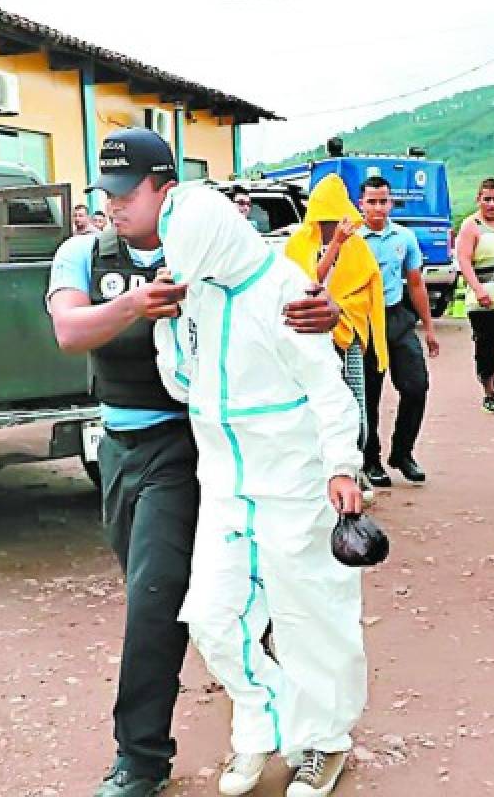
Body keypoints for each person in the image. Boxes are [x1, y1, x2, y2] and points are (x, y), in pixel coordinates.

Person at [47, 128, 340, 797]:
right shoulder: (83, 254)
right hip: (119, 449)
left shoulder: (215, 244)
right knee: (174, 591)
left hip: (195, 448)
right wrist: (129, 305)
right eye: (106, 194)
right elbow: (68, 331)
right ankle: (270, 699)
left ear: (164, 189)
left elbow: (282, 295)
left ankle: (141, 759)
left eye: (127, 194)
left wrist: (323, 312)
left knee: (156, 601)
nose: (114, 206)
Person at [154, 182, 367, 797]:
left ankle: (324, 743)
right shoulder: (198, 296)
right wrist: (167, 328)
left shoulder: (284, 292)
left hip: (295, 485)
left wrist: (342, 467)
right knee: (214, 619)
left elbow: (331, 391)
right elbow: (182, 385)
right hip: (225, 488)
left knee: (313, 620)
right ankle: (264, 721)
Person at [285, 174, 388, 503]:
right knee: (315, 405)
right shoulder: (300, 244)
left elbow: (369, 288)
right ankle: (316, 474)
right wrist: (335, 245)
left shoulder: (357, 244)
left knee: (354, 405)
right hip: (310, 337)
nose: (331, 224)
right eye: (324, 218)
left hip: (350, 337)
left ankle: (353, 472)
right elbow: (307, 283)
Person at [357, 175, 440, 487]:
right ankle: (370, 459)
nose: (379, 208)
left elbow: (416, 283)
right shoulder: (352, 240)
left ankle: (402, 453)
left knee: (416, 386)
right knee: (369, 395)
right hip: (364, 323)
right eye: (372, 202)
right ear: (360, 204)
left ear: (391, 203)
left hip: (397, 317)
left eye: (384, 201)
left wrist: (429, 327)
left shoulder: (404, 238)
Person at [455, 178, 494, 414]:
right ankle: (489, 393)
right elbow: (463, 260)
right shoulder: (471, 225)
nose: (492, 204)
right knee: (486, 350)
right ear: (479, 200)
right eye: (487, 199)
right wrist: (478, 289)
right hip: (483, 303)